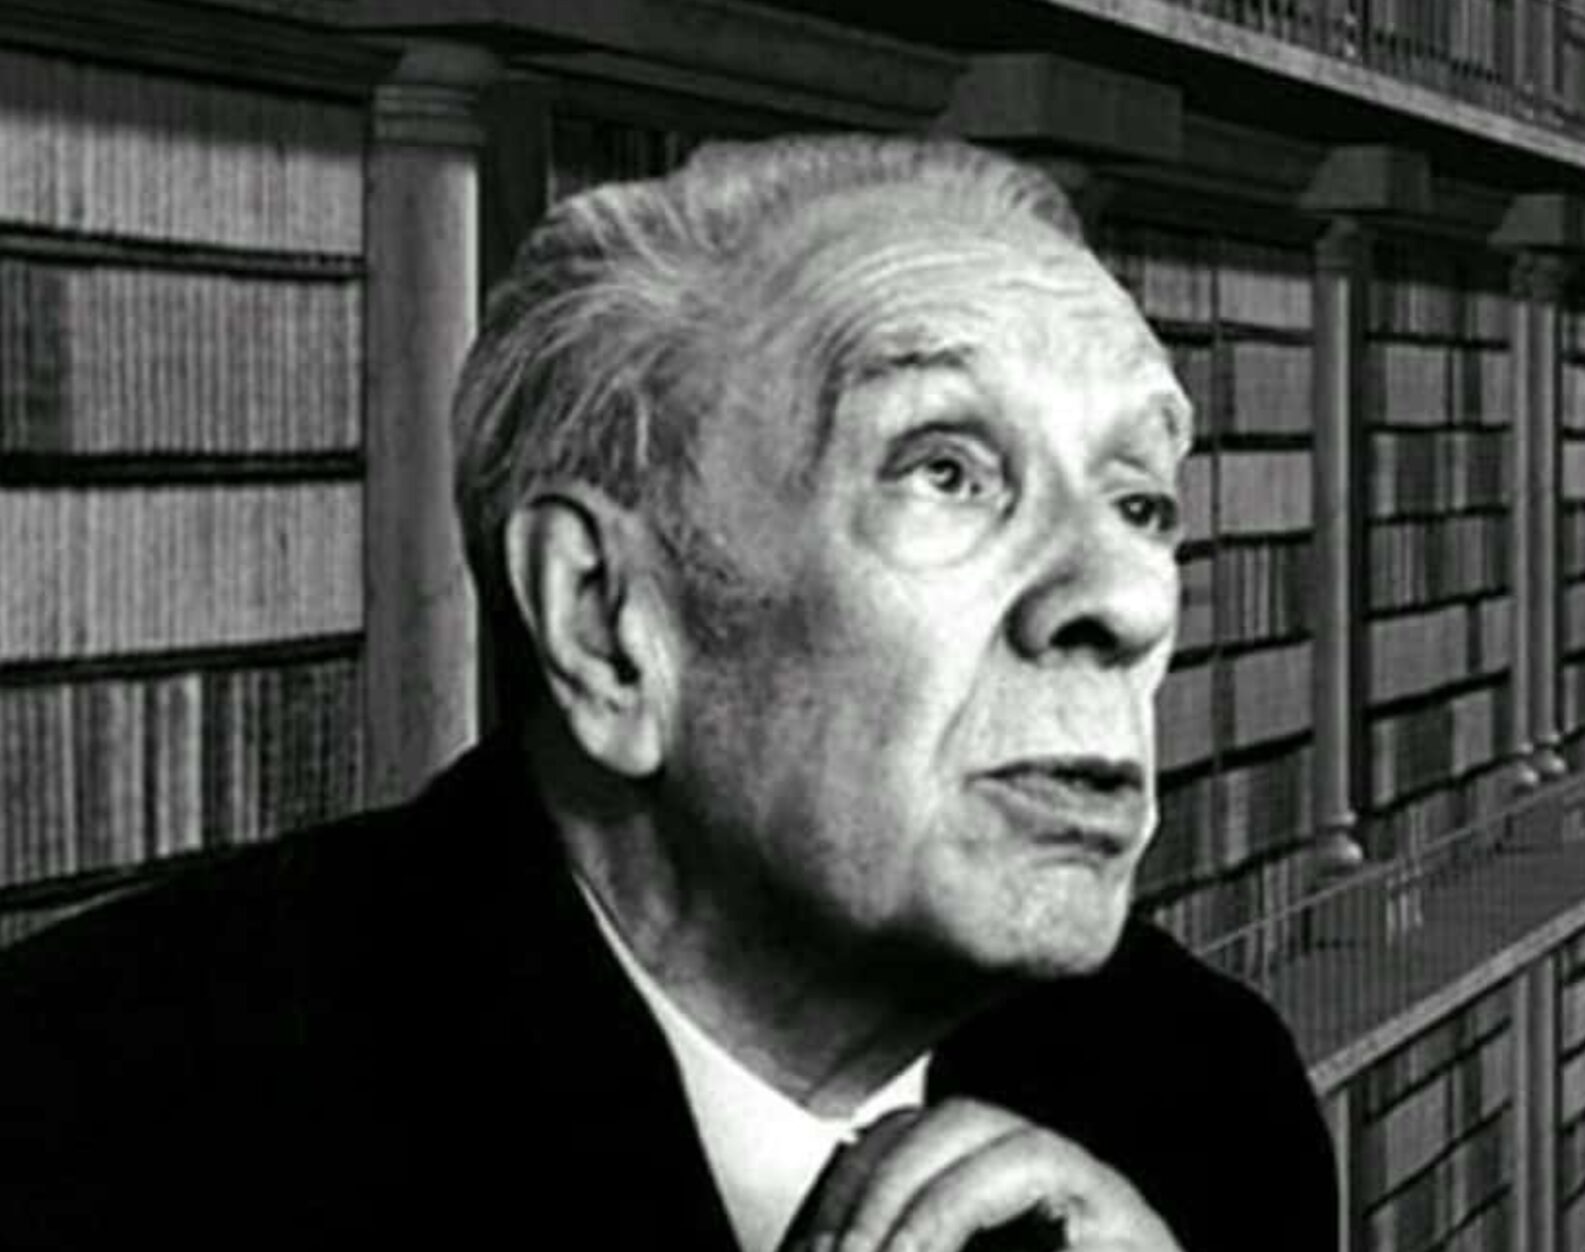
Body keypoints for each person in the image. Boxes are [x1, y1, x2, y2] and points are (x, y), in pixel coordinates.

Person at [0, 134, 1337, 1250]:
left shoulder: (1200, 1089)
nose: (1126, 601)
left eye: (1140, 501)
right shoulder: (86, 1135)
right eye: (943, 469)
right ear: (606, 624)